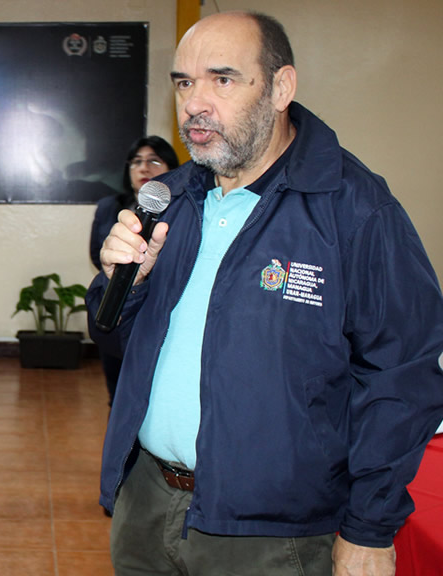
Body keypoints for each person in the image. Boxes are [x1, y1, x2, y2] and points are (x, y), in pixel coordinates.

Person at [88, 12, 443, 576]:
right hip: (147, 503)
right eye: (184, 82)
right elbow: (114, 334)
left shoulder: (355, 209)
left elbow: (403, 375)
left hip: (273, 535)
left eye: (222, 79)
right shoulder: (170, 198)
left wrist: (370, 528)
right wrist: (128, 285)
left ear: (281, 87)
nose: (194, 104)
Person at [87, 137, 179, 405]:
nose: (143, 169)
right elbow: (97, 252)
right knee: (118, 399)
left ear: (172, 168)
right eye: (136, 162)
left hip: (160, 313)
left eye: (153, 161)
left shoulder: (184, 212)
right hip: (116, 304)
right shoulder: (109, 207)